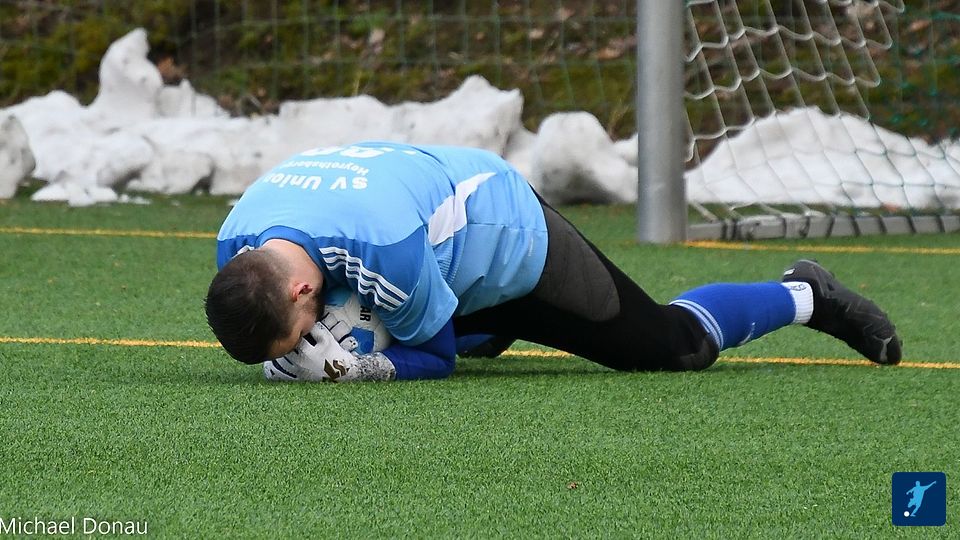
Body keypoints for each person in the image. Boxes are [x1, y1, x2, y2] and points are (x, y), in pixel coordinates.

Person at [204, 141, 902, 382]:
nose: (307, 340)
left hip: (509, 238)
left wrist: (360, 369)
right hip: (432, 242)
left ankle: (805, 293)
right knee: (401, 314)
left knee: (670, 348)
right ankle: (487, 327)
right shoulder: (237, 240)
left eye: (299, 333)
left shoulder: (382, 248)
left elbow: (434, 357)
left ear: (299, 289)